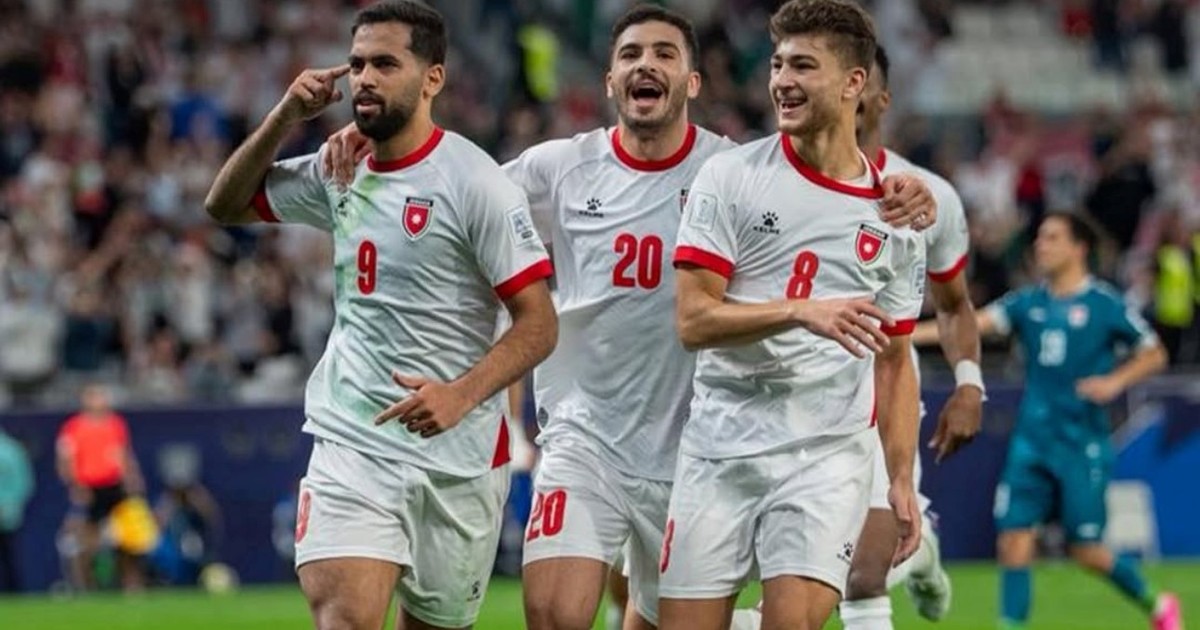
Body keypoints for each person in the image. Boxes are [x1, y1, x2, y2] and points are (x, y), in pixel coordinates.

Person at [321, 6, 935, 629]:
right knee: (554, 614)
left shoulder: (727, 170)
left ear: (693, 82)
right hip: (584, 436)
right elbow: (452, 197)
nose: (646, 65)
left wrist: (904, 192)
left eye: (665, 54)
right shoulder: (558, 168)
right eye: (631, 55)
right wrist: (383, 140)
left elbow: (822, 197)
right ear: (609, 80)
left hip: (691, 444)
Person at [203, 3, 558, 629]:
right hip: (354, 439)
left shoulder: (475, 183)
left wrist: (460, 395)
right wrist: (285, 115)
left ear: (432, 78)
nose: (364, 78)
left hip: (460, 458)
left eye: (386, 64)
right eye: (358, 63)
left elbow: (539, 323)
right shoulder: (339, 168)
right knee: (346, 618)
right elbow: (225, 204)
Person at [659, 2, 927, 628]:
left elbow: (894, 359)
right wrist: (800, 312)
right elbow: (693, 321)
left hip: (825, 455)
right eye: (778, 65)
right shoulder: (730, 177)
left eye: (803, 66)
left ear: (854, 83)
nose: (782, 80)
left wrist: (900, 478)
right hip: (719, 445)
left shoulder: (897, 220)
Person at [915, 213, 1182, 630]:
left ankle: (1158, 603)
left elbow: (1155, 353)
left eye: (1053, 238)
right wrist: (903, 334)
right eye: (1040, 238)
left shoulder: (1104, 304)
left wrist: (1115, 382)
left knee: (1086, 550)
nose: (1041, 245)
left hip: (1082, 443)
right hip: (1032, 442)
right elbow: (973, 324)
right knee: (1013, 540)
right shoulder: (1028, 303)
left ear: (1079, 248)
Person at [841, 43, 982, 629]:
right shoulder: (762, 180)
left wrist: (969, 384)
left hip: (881, 382)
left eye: (858, 83)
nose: (844, 94)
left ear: (881, 98)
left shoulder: (929, 195)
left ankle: (916, 551)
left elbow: (953, 304)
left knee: (863, 574)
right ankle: (922, 554)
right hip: (781, 394)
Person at [56, 383, 147, 592]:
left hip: (115, 486)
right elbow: (66, 460)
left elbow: (123, 454)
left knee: (129, 538)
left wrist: (132, 477)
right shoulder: (74, 427)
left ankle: (131, 584)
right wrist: (76, 485)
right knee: (88, 539)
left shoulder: (115, 424)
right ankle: (86, 585)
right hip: (90, 488)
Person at [0, 425, 33, 592]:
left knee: (10, 554)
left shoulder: (11, 450)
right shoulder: (14, 449)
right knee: (10, 555)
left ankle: (14, 590)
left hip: (7, 513)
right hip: (9, 510)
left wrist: (9, 504)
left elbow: (23, 483)